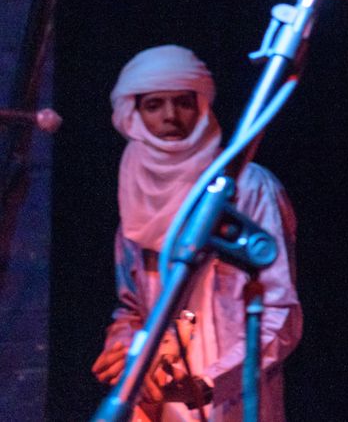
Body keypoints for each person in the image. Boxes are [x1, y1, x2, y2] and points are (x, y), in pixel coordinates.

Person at [90, 45, 302, 421]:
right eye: (154, 105)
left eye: (183, 103)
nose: (170, 116)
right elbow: (132, 309)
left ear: (202, 106)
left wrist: (211, 382)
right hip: (160, 400)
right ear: (134, 115)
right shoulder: (134, 195)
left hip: (232, 398)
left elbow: (279, 315)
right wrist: (124, 350)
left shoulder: (247, 187)